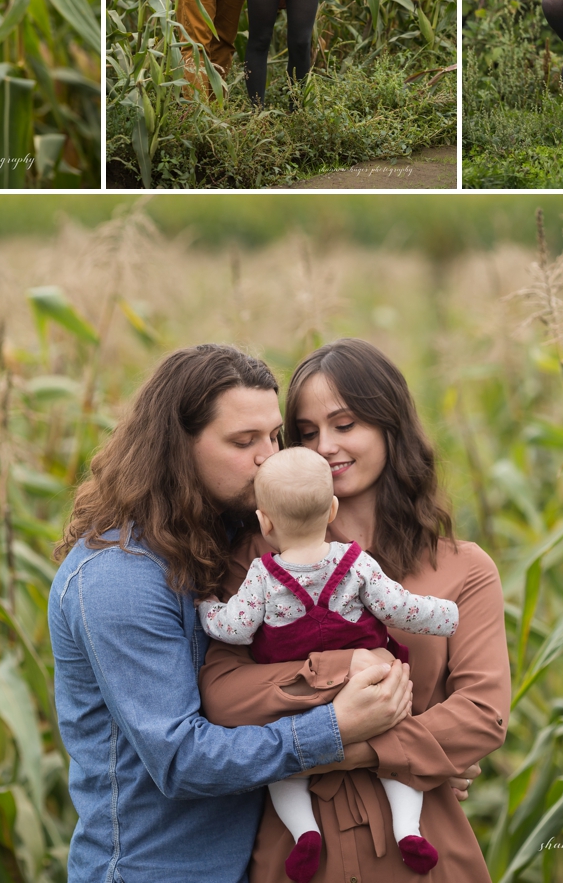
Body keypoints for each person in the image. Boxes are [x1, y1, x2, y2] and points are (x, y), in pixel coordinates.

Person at [48, 344, 416, 882]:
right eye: (244, 442)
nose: (269, 457)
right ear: (177, 450)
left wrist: (418, 754)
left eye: (274, 437)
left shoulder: (236, 543)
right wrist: (334, 730)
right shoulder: (118, 579)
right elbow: (179, 759)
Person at [199, 338, 508, 882]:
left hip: (422, 847)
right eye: (307, 433)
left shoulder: (464, 569)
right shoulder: (256, 559)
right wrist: (354, 681)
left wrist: (347, 747)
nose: (326, 447)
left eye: (345, 425)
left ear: (391, 427)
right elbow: (220, 695)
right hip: (298, 856)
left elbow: (483, 714)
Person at [197, 447, 457, 880]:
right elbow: (398, 608)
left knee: (284, 777)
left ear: (265, 521)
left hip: (302, 701)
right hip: (371, 686)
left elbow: (237, 629)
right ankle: (407, 829)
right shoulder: (356, 563)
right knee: (400, 753)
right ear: (332, 508)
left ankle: (304, 834)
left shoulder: (262, 575)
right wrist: (446, 615)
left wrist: (207, 609)